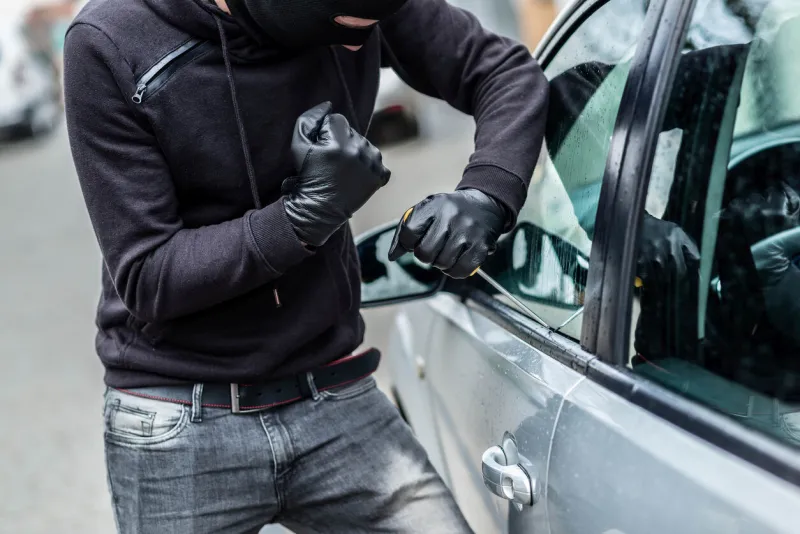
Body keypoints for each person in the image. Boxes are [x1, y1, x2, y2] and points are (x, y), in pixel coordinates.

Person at [63, 0, 548, 532]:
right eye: (346, 32)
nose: (361, 47)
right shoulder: (112, 40)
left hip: (333, 393)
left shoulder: (371, 8)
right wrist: (303, 217)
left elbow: (502, 70)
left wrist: (488, 192)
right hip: (181, 420)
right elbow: (150, 276)